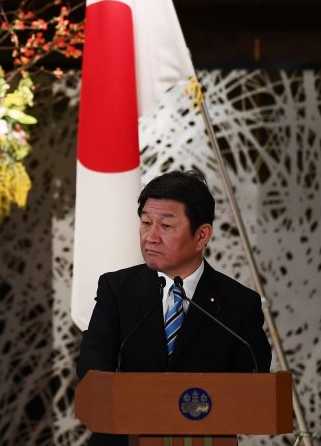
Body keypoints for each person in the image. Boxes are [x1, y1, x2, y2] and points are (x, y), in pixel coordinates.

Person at [76, 170, 271, 446]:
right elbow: (92, 364)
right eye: (146, 223)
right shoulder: (116, 289)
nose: (150, 236)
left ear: (202, 235)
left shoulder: (238, 303)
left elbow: (253, 384)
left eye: (166, 226)